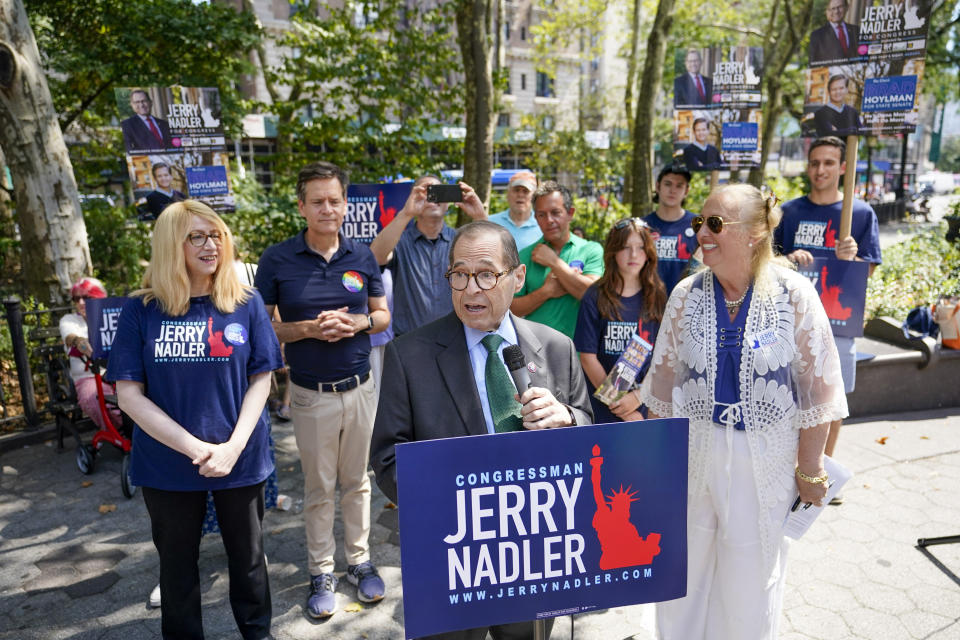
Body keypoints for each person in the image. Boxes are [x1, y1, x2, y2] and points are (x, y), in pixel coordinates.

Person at [641, 184, 848, 640]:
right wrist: (657, 467)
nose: (701, 235)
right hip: (694, 453)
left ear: (756, 232)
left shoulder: (794, 294)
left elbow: (820, 390)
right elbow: (660, 389)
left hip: (767, 457)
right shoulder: (686, 294)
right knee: (684, 572)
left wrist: (811, 468)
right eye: (699, 223)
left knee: (751, 576)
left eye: (715, 224)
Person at [370, 220, 594, 640]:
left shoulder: (557, 348)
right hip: (452, 556)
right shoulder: (409, 356)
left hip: (533, 555)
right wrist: (457, 508)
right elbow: (386, 458)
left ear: (518, 276)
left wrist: (567, 418)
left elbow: (590, 438)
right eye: (459, 274)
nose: (471, 289)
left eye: (487, 274)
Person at [107, 200, 282, 640]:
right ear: (171, 245)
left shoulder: (246, 302)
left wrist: (233, 447)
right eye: (197, 237)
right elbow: (129, 395)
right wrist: (194, 447)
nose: (211, 245)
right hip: (167, 465)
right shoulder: (141, 310)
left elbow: (262, 379)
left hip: (239, 459)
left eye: (216, 235)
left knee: (248, 561)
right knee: (177, 567)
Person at [254, 161, 390, 618]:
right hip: (311, 394)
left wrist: (357, 323)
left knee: (358, 483)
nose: (327, 208)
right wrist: (308, 330)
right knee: (320, 487)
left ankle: (359, 561)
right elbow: (265, 328)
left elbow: (383, 316)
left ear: (345, 204)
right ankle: (321, 571)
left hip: (361, 387)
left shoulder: (362, 256)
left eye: (334, 200)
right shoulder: (277, 259)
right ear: (302, 206)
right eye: (317, 201)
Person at [774, 136, 881, 502]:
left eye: (829, 163)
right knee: (789, 394)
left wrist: (851, 259)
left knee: (831, 401)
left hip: (837, 323)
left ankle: (823, 472)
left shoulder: (861, 214)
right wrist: (789, 258)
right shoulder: (788, 213)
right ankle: (788, 467)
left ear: (842, 168)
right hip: (790, 322)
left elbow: (866, 276)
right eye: (815, 162)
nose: (820, 170)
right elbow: (767, 264)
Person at [574, 218, 666, 424]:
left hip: (644, 404)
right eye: (625, 248)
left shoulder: (657, 295)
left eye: (640, 248)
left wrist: (638, 398)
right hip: (603, 406)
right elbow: (588, 358)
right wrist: (620, 407)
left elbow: (665, 357)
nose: (634, 255)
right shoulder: (595, 295)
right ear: (613, 251)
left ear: (649, 252)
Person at [370, 176, 486, 336]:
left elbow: (498, 259)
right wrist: (406, 213)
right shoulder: (399, 242)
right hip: (410, 341)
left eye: (438, 192)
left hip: (456, 339)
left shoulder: (462, 240)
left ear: (448, 203)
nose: (432, 198)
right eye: (426, 192)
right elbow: (375, 257)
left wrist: (480, 216)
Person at [511, 181, 604, 339]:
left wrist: (554, 263)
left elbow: (594, 296)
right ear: (536, 218)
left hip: (581, 352)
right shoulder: (525, 256)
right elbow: (511, 309)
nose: (549, 220)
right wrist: (546, 291)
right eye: (542, 214)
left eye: (556, 212)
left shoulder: (591, 250)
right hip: (537, 352)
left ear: (570, 213)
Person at [59, 277, 122, 431]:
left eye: (86, 297)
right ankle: (118, 434)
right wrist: (80, 343)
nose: (81, 302)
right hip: (88, 377)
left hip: (118, 373)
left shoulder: (112, 316)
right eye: (76, 298)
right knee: (95, 399)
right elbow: (69, 337)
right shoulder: (69, 320)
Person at [643, 165, 700, 295]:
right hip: (648, 304)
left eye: (679, 186)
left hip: (687, 304)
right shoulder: (643, 226)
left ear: (686, 191)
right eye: (668, 184)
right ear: (658, 187)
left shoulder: (698, 225)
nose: (673, 190)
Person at [487, 170, 542, 250]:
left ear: (534, 197)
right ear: (508, 194)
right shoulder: (490, 223)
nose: (520, 195)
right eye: (516, 190)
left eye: (525, 191)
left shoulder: (543, 225)